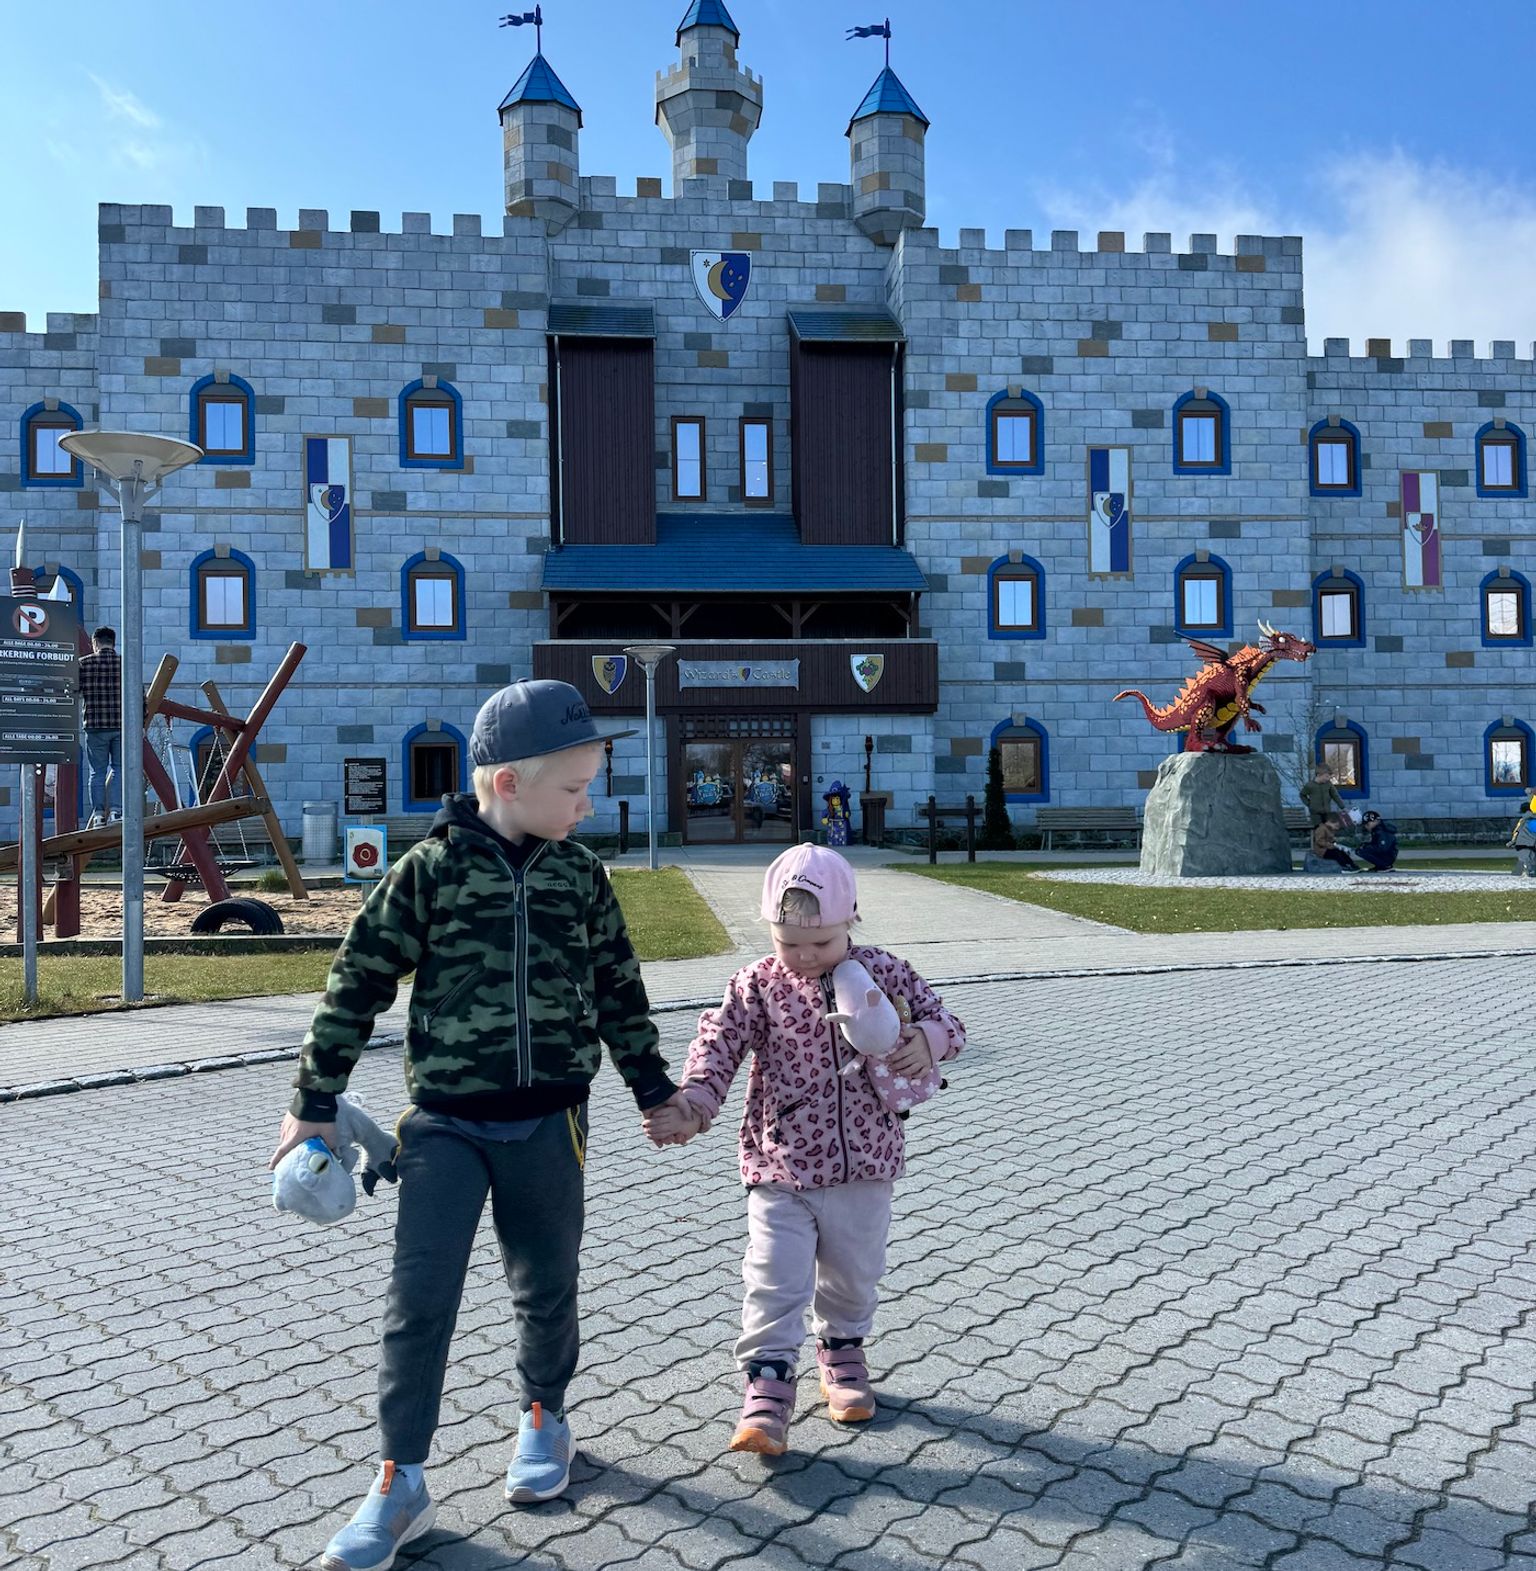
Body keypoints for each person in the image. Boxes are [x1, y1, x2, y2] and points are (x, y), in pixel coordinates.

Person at [268, 679, 687, 1571]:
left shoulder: (581, 876)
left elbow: (620, 989)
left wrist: (656, 1091)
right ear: (507, 784)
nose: (586, 805)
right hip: (445, 1127)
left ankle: (544, 1415)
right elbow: (356, 981)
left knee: (547, 1282)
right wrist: (313, 1100)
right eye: (573, 789)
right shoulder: (429, 872)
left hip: (550, 1123)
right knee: (419, 1301)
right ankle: (400, 1481)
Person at [644, 845, 965, 1457]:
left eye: (821, 941)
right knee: (775, 1277)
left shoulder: (886, 971)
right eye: (789, 942)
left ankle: (842, 1351)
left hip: (866, 1162)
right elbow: (718, 1045)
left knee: (854, 1273)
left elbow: (947, 1021)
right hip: (781, 1163)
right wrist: (694, 1102)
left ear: (851, 921)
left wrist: (929, 1038)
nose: (806, 955)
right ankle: (767, 1383)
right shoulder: (759, 984)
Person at [78, 626, 122, 826]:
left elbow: (75, 691)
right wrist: (141, 723)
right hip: (121, 726)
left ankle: (98, 815)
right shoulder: (125, 664)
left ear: (94, 643)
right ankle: (116, 812)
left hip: (94, 726)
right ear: (113, 643)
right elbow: (140, 697)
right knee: (120, 769)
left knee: (97, 772)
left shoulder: (83, 664)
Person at [1300, 764, 1349, 830]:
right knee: (1319, 830)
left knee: (1328, 829)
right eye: (1326, 776)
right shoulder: (1310, 785)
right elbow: (1302, 795)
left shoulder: (1329, 784)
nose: (1328, 779)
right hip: (1315, 813)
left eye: (1329, 777)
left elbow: (1335, 795)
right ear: (1318, 775)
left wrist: (1342, 807)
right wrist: (1309, 804)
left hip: (1327, 812)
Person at [1507, 794, 1536, 877]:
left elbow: (1517, 831)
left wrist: (1512, 841)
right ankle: (1529, 870)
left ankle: (1529, 871)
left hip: (1525, 843)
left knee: (1526, 857)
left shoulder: (1524, 821)